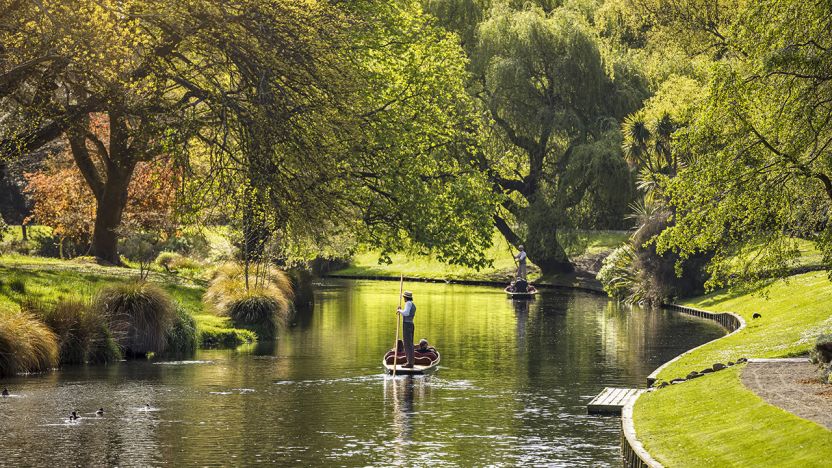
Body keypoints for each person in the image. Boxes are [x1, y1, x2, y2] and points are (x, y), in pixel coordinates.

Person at [397, 291, 416, 368]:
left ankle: (410, 363)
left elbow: (406, 313)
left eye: (404, 297)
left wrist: (399, 310)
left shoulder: (408, 303)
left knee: (407, 344)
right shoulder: (412, 304)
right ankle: (410, 362)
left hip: (407, 325)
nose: (403, 298)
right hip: (410, 324)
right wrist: (401, 310)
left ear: (406, 297)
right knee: (409, 344)